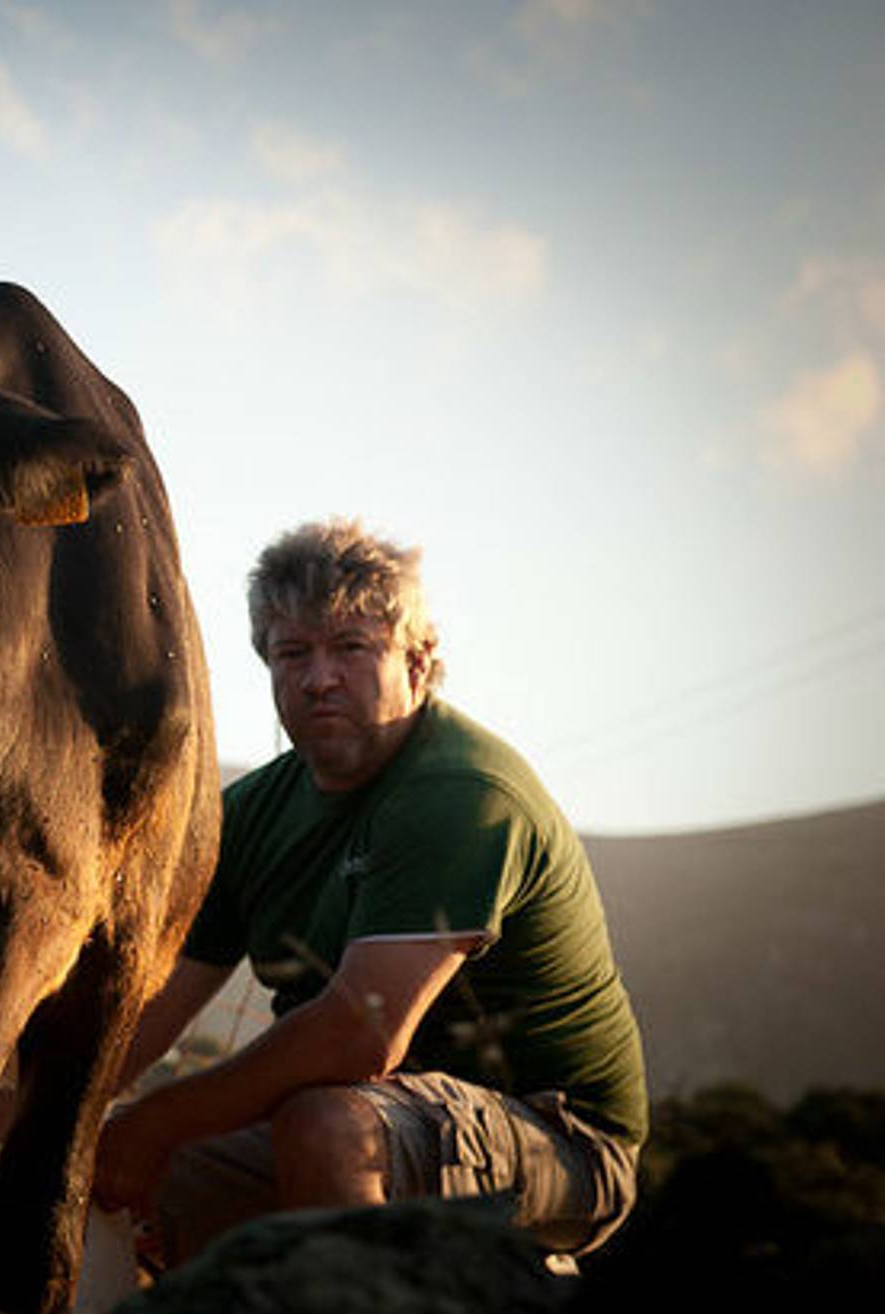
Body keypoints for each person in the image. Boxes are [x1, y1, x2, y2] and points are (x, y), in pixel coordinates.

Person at [91, 517, 646, 1268]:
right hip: (381, 1108)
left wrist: (155, 1120)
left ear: (419, 662)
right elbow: (148, 1010)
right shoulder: (251, 812)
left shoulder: (460, 789)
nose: (319, 677)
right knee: (138, 1171)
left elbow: (359, 1034)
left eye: (352, 647)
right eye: (293, 653)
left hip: (562, 1136)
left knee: (324, 1125)